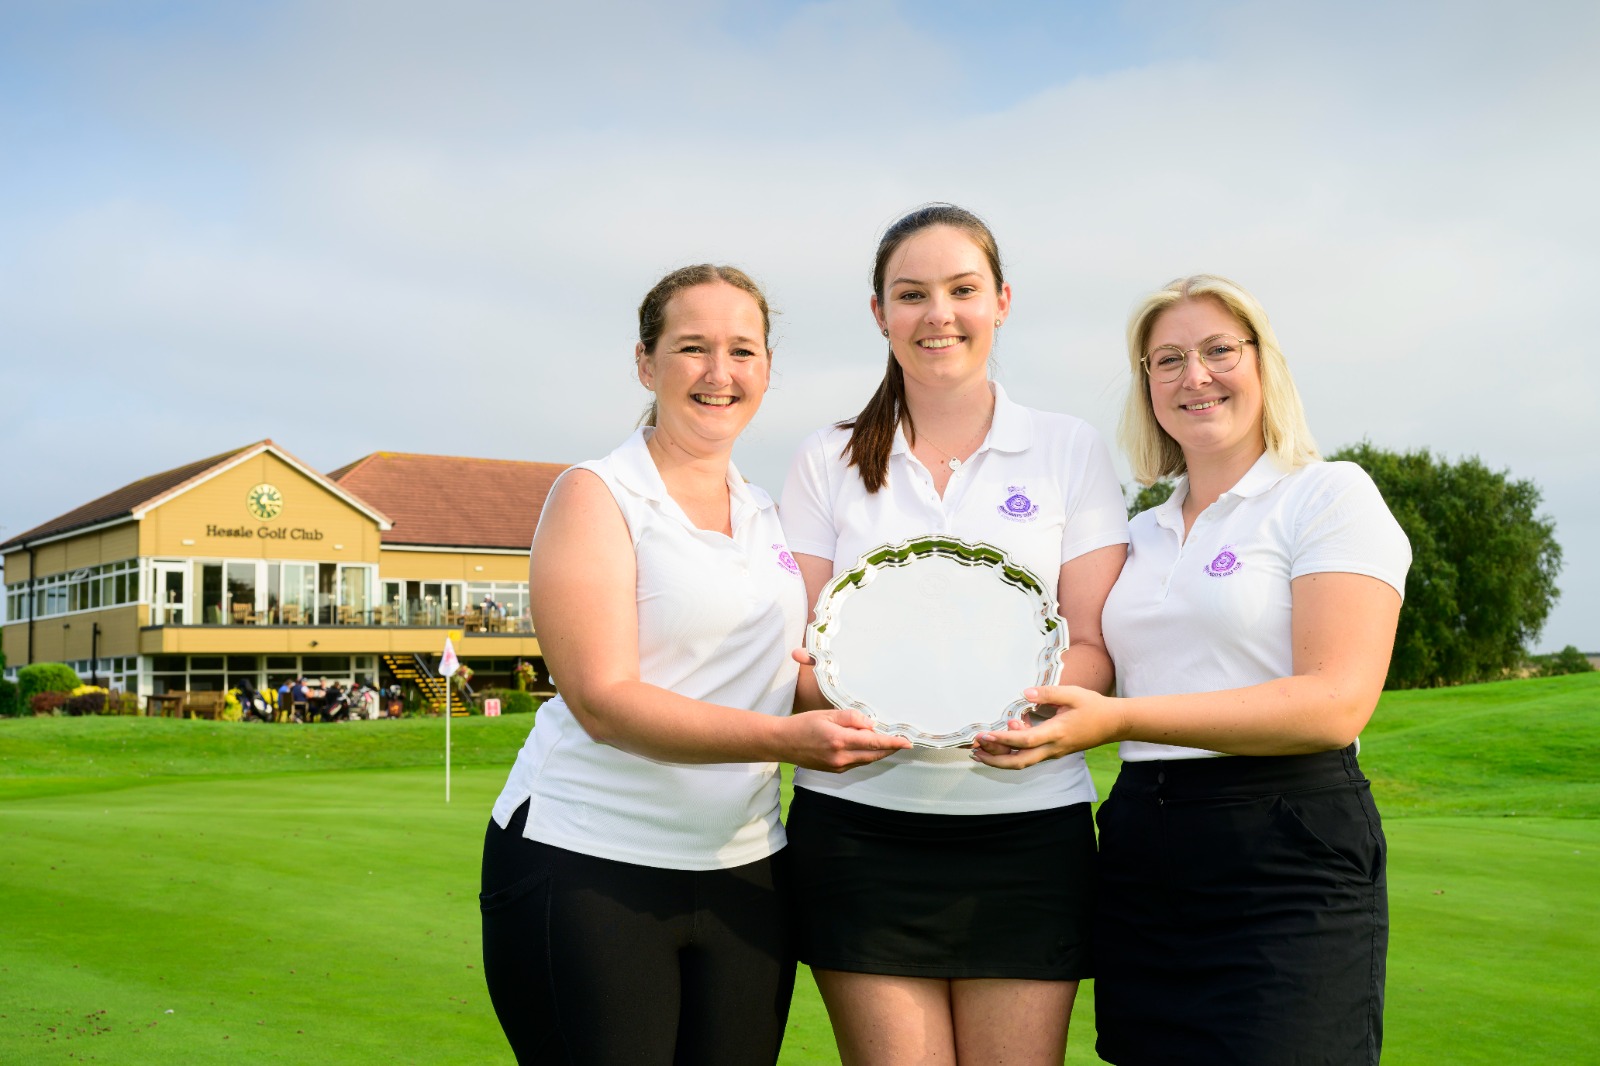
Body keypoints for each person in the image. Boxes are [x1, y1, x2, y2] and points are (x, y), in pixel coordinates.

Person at [973, 274, 1411, 1065]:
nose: (1194, 376)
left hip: (1286, 850)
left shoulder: (1327, 496)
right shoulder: (1140, 531)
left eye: (1217, 351)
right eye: (1167, 359)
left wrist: (1122, 721)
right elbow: (1067, 651)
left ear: (1263, 364)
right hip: (1146, 846)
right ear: (1147, 386)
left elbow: (1334, 703)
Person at [479, 263, 910, 1066]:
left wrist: (930, 694)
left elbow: (791, 674)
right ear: (646, 364)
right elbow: (604, 701)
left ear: (768, 370)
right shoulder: (596, 495)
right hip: (588, 864)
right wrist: (791, 742)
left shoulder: (765, 512)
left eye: (743, 351)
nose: (720, 374)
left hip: (745, 870)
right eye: (692, 348)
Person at [780, 204, 1131, 1064]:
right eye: (912, 294)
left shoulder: (1068, 449)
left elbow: (1092, 646)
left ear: (1002, 300)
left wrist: (1017, 713)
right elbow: (797, 659)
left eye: (962, 289)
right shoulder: (823, 460)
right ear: (880, 314)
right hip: (860, 831)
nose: (939, 314)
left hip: (1027, 830)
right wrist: (884, 710)